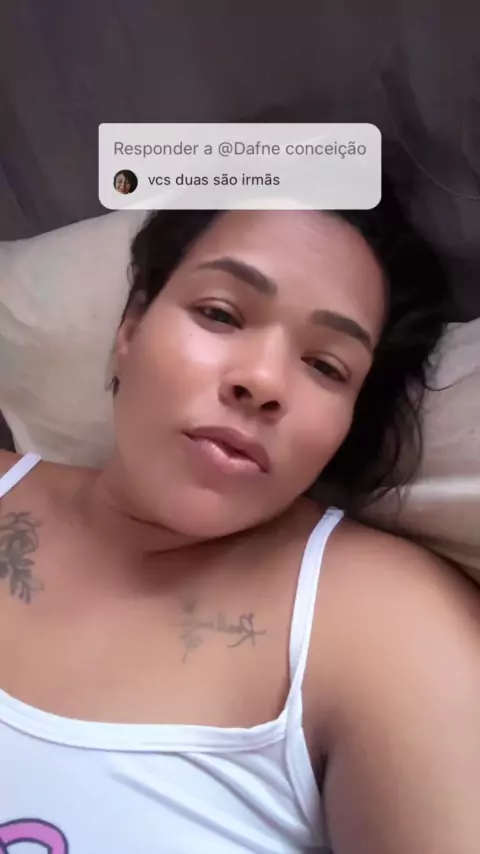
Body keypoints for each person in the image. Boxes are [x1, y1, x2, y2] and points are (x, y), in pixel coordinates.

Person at [1, 177, 480, 854]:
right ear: (131, 329)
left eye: (326, 366)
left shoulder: (391, 630)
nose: (261, 381)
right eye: (221, 314)